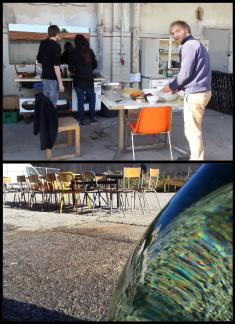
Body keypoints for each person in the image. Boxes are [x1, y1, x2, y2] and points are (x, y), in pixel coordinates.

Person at [161, 21, 212, 161]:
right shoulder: (197, 44)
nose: (174, 35)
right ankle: (193, 155)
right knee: (194, 127)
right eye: (172, 33)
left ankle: (196, 160)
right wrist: (179, 87)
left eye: (177, 31)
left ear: (186, 29)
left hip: (196, 94)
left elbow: (185, 73)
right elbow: (196, 72)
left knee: (192, 130)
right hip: (202, 91)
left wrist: (171, 86)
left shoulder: (188, 46)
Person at [68, 34, 98, 125]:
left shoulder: (73, 52)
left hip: (78, 80)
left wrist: (75, 70)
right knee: (92, 99)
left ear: (76, 43)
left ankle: (81, 120)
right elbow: (95, 65)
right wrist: (88, 70)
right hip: (89, 79)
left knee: (80, 100)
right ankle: (92, 118)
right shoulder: (90, 51)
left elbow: (71, 68)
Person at [37, 25, 64, 108]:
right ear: (57, 34)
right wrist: (60, 83)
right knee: (52, 104)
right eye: (59, 34)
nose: (60, 36)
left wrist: (45, 69)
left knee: (46, 103)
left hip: (44, 77)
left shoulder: (43, 43)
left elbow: (39, 61)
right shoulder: (56, 46)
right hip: (53, 78)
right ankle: (51, 121)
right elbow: (56, 66)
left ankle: (45, 120)